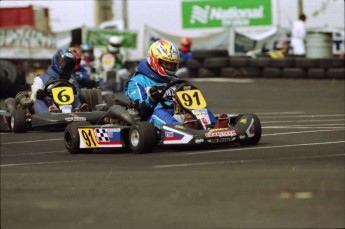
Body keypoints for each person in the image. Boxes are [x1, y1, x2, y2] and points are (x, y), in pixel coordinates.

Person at [125, 39, 228, 129]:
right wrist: (151, 99)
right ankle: (182, 129)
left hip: (177, 112)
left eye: (172, 64)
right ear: (154, 61)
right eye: (166, 63)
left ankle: (212, 126)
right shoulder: (136, 82)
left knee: (199, 108)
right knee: (160, 113)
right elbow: (139, 111)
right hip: (151, 119)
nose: (170, 67)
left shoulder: (173, 79)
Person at [30, 48, 85, 113]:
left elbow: (78, 93)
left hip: (70, 106)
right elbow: (34, 95)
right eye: (65, 64)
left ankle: (78, 111)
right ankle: (48, 114)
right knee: (38, 101)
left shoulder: (71, 80)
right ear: (56, 61)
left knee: (75, 97)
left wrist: (76, 92)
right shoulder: (41, 79)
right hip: (49, 104)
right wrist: (39, 93)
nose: (67, 66)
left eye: (70, 65)